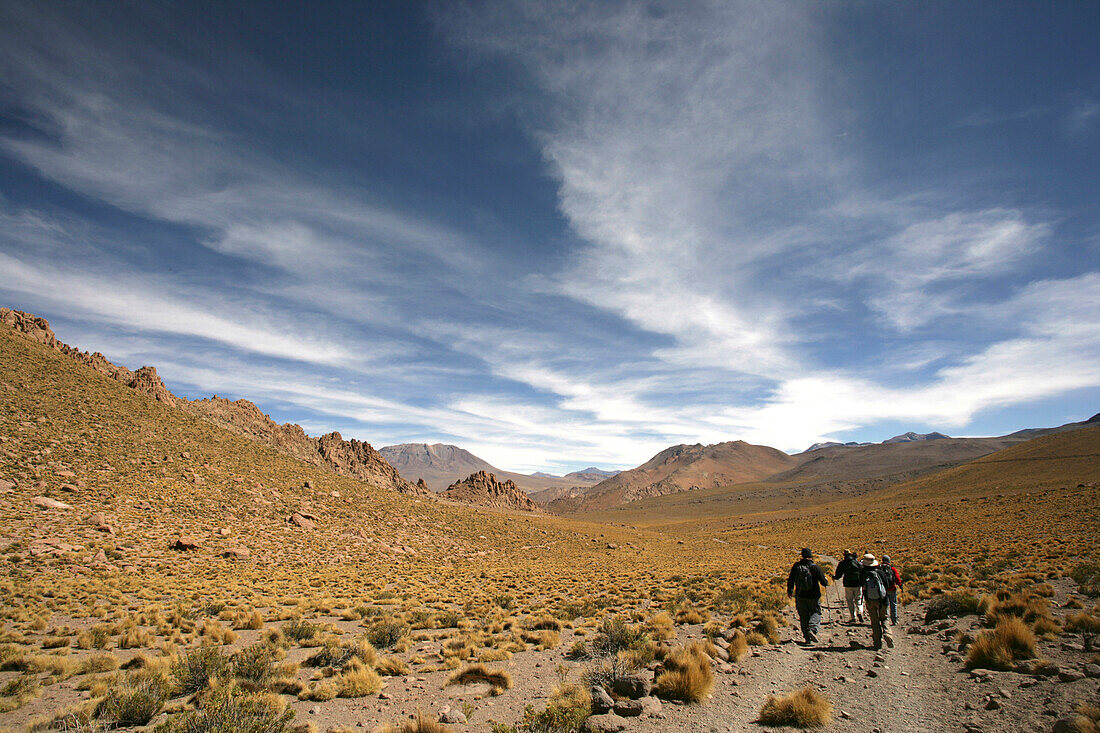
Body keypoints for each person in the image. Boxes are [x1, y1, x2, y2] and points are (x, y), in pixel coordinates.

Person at [787, 547, 830, 645]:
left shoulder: (796, 566)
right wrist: (826, 580)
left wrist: (790, 591)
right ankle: (812, 629)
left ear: (802, 555)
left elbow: (791, 579)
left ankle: (807, 639)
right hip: (814, 596)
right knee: (816, 612)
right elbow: (824, 583)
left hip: (800, 595)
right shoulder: (815, 567)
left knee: (803, 616)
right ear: (810, 556)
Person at [859, 553, 894, 650]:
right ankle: (888, 634)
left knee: (874, 621)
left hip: (870, 600)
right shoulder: (880, 572)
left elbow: (861, 585)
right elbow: (887, 585)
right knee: (884, 618)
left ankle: (877, 643)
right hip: (882, 600)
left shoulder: (863, 573)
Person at [833, 550, 865, 624]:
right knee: (858, 599)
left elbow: (838, 574)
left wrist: (834, 577)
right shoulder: (857, 562)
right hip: (858, 584)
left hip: (848, 584)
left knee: (850, 600)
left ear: (844, 555)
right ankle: (860, 611)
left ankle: (853, 617)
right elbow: (862, 572)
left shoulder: (842, 563)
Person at [881, 555, 903, 626]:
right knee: (893, 604)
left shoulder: (880, 568)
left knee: (885, 604)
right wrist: (900, 585)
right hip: (892, 588)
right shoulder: (892, 568)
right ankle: (894, 620)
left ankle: (885, 620)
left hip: (883, 589)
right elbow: (897, 578)